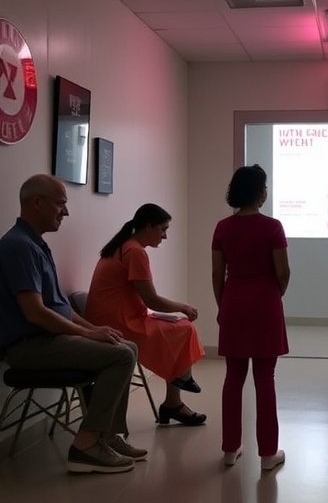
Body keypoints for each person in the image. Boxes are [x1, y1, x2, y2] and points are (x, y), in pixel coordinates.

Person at [0, 174, 147, 474]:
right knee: (121, 355)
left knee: (126, 346)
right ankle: (86, 446)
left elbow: (61, 308)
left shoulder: (36, 244)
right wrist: (88, 334)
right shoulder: (18, 246)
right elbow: (35, 313)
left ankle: (107, 435)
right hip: (28, 347)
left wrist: (94, 331)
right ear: (37, 202)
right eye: (60, 204)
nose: (65, 212)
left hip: (47, 340)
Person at [85, 204, 206, 426]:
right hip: (118, 325)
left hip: (109, 319)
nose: (165, 236)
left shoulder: (123, 246)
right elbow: (152, 300)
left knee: (178, 329)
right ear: (149, 227)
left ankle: (177, 392)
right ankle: (178, 389)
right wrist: (184, 307)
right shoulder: (135, 252)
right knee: (184, 327)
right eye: (163, 229)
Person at [211, 164, 290, 471]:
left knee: (233, 377)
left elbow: (217, 273)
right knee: (265, 378)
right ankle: (268, 454)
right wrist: (273, 294)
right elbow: (283, 271)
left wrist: (223, 305)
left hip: (233, 302)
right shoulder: (273, 227)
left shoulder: (222, 227)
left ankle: (230, 449)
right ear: (259, 193)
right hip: (265, 303)